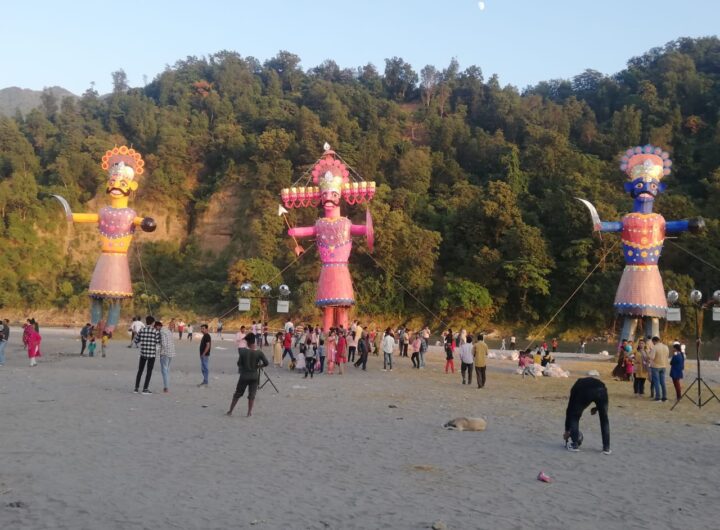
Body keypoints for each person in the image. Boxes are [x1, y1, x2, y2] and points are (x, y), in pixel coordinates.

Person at [563, 377, 611, 454]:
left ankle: (574, 444)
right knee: (604, 418)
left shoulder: (576, 388)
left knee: (575, 416)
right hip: (602, 390)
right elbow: (598, 395)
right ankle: (606, 448)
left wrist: (567, 429)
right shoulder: (582, 383)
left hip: (586, 390)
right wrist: (597, 408)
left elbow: (569, 410)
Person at [226, 333, 269, 417]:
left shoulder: (243, 352)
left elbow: (239, 363)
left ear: (248, 342)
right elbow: (266, 363)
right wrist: (258, 366)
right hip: (254, 376)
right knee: (252, 395)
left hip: (244, 376)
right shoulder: (259, 352)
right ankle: (249, 412)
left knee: (238, 394)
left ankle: (230, 411)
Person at [133, 316, 160, 394]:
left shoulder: (141, 330)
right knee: (149, 371)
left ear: (146, 322)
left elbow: (136, 341)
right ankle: (145, 389)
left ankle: (136, 388)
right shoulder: (155, 331)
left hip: (143, 353)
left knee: (140, 371)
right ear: (152, 323)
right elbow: (158, 342)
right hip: (152, 354)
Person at [157, 320, 176, 393]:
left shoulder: (162, 331)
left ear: (158, 326)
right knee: (167, 370)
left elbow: (164, 344)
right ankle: (166, 385)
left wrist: (160, 353)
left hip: (165, 353)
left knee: (164, 370)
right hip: (171, 353)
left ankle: (166, 387)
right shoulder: (169, 331)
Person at [649, 336, 669, 402]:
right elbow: (667, 356)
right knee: (663, 382)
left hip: (656, 366)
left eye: (653, 342)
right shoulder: (666, 347)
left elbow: (652, 357)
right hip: (663, 366)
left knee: (656, 382)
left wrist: (649, 353)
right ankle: (664, 397)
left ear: (654, 341)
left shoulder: (655, 347)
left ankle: (658, 397)